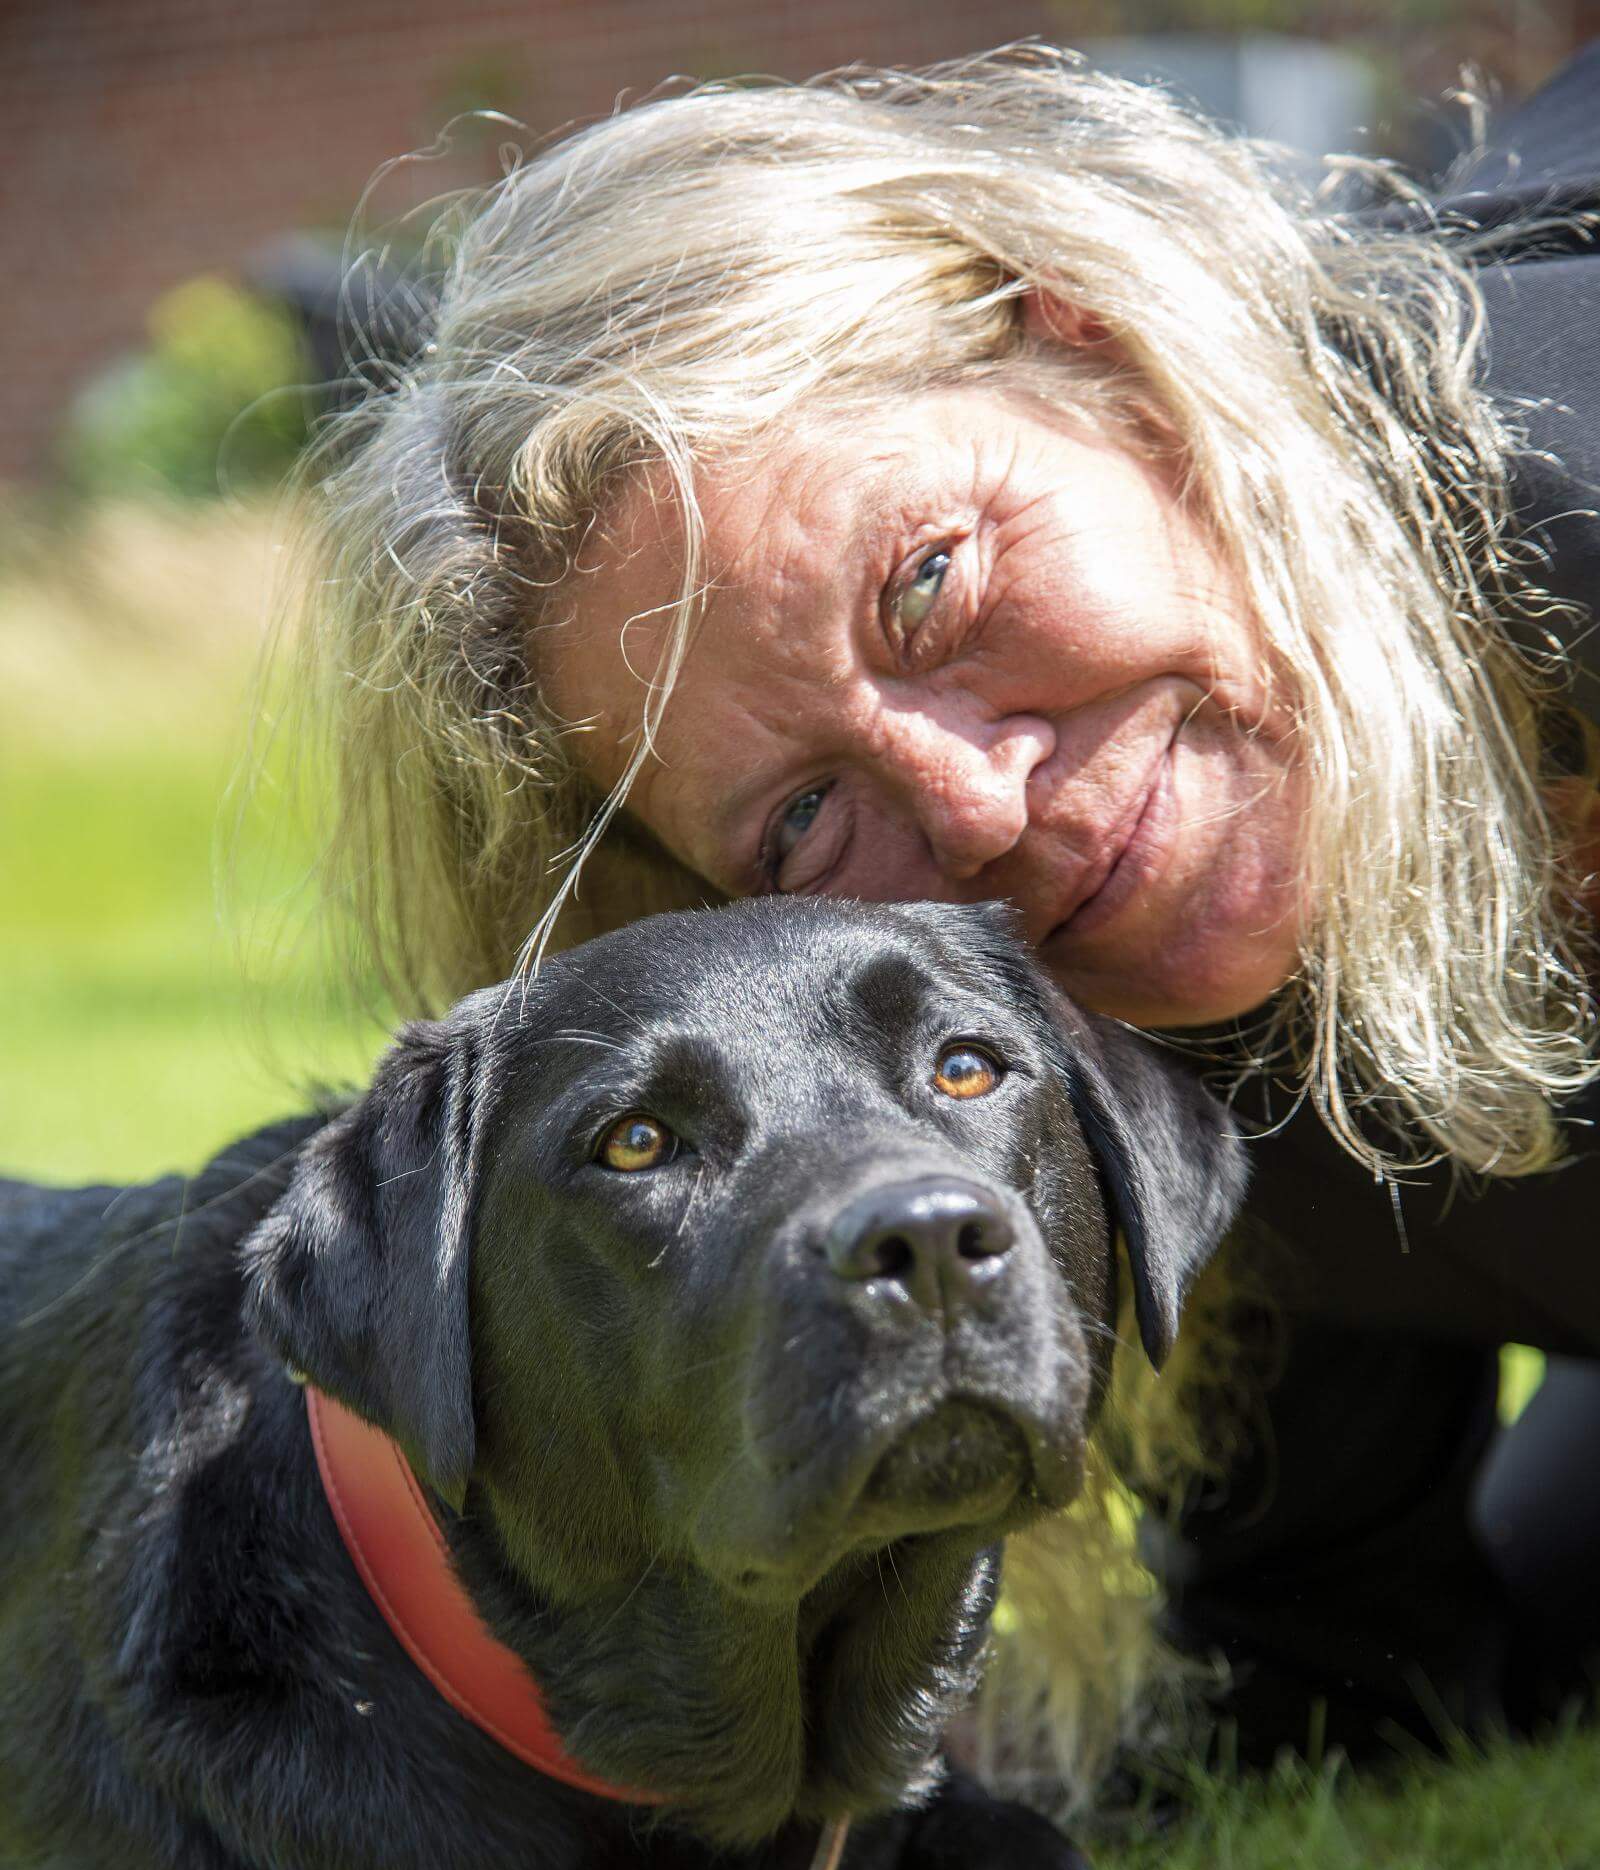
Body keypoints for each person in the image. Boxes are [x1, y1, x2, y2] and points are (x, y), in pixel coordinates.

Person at [298, 43, 1600, 1768]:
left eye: (930, 580)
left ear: (1095, 352)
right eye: (805, 819)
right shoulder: (1108, 1007)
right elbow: (1345, 1650)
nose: (979, 806)